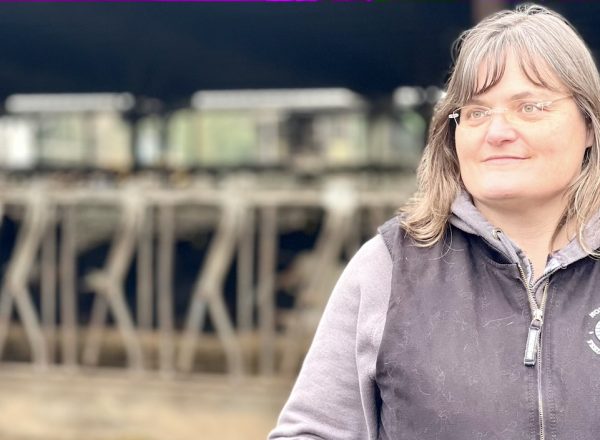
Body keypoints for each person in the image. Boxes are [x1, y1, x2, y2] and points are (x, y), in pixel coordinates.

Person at [268, 3, 600, 439]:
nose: (496, 131)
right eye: (476, 112)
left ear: (590, 124)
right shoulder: (388, 268)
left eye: (530, 106)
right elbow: (313, 430)